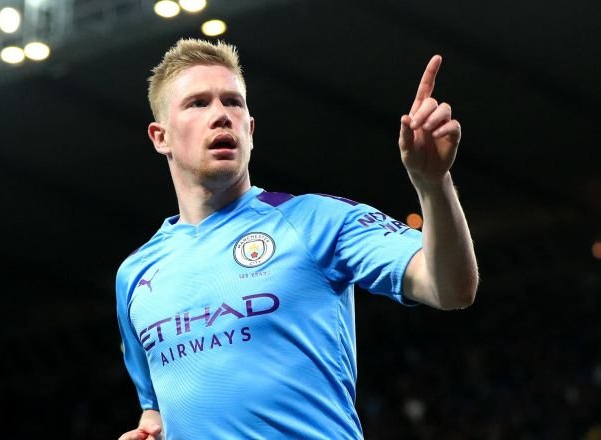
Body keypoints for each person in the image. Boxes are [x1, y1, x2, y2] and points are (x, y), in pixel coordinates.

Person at [115, 38, 478, 440]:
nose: (221, 116)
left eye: (233, 103)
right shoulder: (135, 274)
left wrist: (433, 184)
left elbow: (451, 288)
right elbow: (156, 414)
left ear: (250, 129)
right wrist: (150, 432)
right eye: (198, 103)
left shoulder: (316, 221)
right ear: (160, 136)